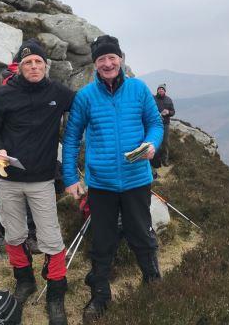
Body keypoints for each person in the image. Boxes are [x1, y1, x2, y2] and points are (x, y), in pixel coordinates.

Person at [62, 35, 164, 323]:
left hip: (136, 180)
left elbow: (154, 123)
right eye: (102, 59)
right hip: (101, 185)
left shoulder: (138, 89)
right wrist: (70, 177)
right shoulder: (85, 96)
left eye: (112, 58)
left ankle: (152, 280)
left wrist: (152, 144)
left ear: (121, 59)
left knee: (142, 233)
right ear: (95, 63)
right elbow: (71, 139)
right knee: (103, 240)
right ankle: (100, 295)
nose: (108, 63)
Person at [0, 38, 75, 325]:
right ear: (19, 67)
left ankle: (56, 293)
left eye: (38, 62)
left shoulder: (58, 93)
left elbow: (87, 107)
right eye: (28, 63)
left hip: (42, 180)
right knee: (13, 234)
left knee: (50, 236)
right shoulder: (5, 94)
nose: (34, 67)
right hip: (7, 177)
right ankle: (24, 281)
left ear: (45, 66)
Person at [154, 84, 175, 166]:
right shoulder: (153, 99)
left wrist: (168, 112)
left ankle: (165, 160)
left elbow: (173, 112)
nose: (160, 90)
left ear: (165, 91)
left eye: (162, 89)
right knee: (156, 143)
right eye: (159, 89)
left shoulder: (169, 100)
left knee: (165, 143)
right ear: (157, 90)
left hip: (165, 124)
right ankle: (156, 161)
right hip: (155, 124)